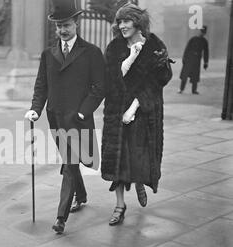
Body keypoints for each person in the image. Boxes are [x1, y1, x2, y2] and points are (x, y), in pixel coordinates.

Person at [25, 0, 106, 234]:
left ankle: (60, 217)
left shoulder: (91, 52)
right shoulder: (48, 54)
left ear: (77, 23)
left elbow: (99, 87)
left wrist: (83, 110)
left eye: (67, 25)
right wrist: (36, 109)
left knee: (70, 163)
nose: (62, 30)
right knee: (70, 162)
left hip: (78, 119)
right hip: (56, 119)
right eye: (59, 25)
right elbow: (42, 86)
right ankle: (80, 195)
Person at [101, 3, 173, 226]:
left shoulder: (154, 45)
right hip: (117, 110)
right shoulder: (115, 48)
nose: (121, 25)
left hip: (143, 111)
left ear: (137, 22)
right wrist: (131, 58)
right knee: (118, 161)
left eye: (126, 21)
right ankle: (119, 205)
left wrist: (135, 107)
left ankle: (139, 180)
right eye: (119, 21)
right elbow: (111, 80)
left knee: (139, 154)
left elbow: (161, 80)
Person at [179, 26, 209, 95]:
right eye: (201, 31)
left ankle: (194, 90)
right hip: (189, 59)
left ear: (205, 33)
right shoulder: (193, 39)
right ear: (199, 31)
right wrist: (184, 58)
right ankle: (181, 89)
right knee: (185, 75)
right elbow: (187, 49)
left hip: (197, 60)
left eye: (203, 32)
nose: (202, 33)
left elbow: (206, 52)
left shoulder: (204, 41)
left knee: (195, 75)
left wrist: (206, 62)